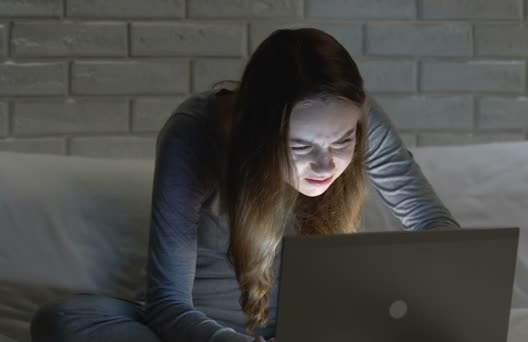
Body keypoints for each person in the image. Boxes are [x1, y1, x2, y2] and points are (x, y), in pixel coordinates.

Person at [29, 28, 459, 342]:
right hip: (199, 329)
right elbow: (167, 304)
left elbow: (434, 224)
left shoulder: (357, 116)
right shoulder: (193, 135)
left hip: (315, 327)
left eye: (344, 141)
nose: (326, 163)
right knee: (65, 319)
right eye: (300, 145)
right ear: (257, 131)